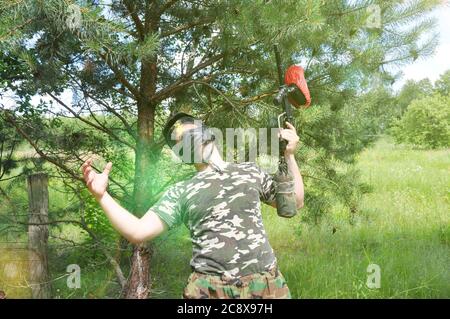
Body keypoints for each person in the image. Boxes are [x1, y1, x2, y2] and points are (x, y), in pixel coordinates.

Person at [81, 113, 304, 299]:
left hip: (266, 286)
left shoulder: (249, 171)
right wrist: (102, 196)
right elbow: (138, 231)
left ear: (208, 134)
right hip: (209, 291)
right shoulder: (182, 191)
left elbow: (295, 203)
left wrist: (290, 156)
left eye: (193, 133)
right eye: (183, 141)